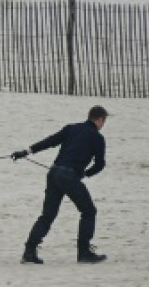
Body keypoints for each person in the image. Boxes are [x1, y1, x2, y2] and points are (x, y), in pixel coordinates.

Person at [12, 106, 109, 265]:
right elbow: (100, 164)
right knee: (88, 211)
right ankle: (84, 252)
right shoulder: (97, 138)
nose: (103, 124)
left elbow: (50, 141)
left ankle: (29, 251)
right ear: (100, 120)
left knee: (47, 215)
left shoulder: (72, 128)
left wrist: (26, 152)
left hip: (54, 173)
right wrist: (85, 174)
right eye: (104, 121)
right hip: (69, 176)